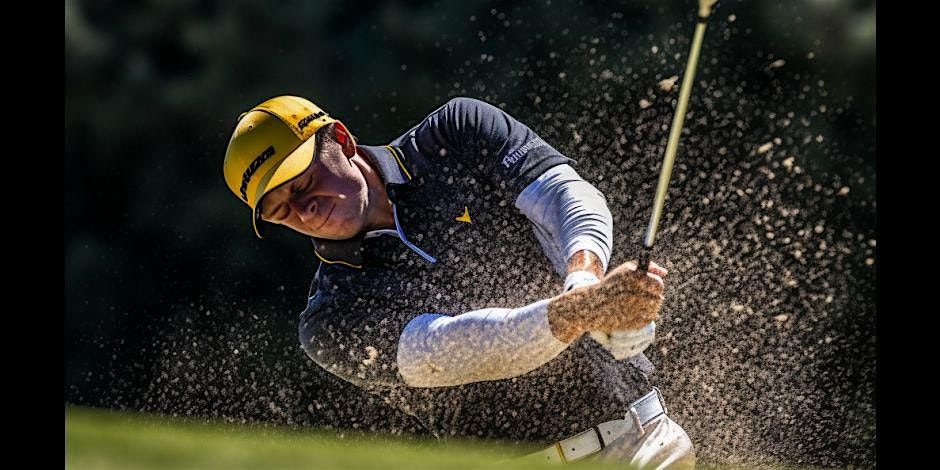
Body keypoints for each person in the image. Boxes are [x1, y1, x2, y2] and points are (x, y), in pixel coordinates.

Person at [222, 95, 695, 468]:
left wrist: (584, 279)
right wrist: (584, 309)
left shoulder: (453, 134)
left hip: (640, 442)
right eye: (280, 210)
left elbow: (563, 195)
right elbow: (454, 349)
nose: (305, 211)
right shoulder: (329, 319)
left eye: (302, 184)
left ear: (342, 140)